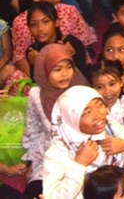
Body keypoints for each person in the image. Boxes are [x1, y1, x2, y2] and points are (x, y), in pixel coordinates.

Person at [41, 86, 124, 199]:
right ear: (70, 118)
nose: (98, 115)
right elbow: (52, 197)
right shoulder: (58, 152)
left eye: (100, 105)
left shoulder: (113, 130)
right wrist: (79, 165)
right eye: (87, 112)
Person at [22, 44, 88, 197]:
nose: (65, 74)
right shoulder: (36, 95)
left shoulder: (82, 92)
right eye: (57, 69)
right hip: (48, 159)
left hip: (82, 157)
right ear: (44, 70)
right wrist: (33, 162)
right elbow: (33, 130)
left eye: (69, 67)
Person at [90, 60, 124, 150]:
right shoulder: (91, 111)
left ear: (121, 81)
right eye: (99, 87)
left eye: (112, 84)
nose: (107, 91)